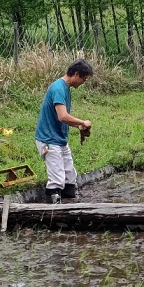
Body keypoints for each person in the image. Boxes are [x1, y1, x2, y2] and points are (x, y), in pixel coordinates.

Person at [36, 59, 93, 202]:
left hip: (59, 138)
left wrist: (78, 126)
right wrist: (82, 122)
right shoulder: (58, 89)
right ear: (76, 74)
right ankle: (52, 213)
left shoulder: (65, 89)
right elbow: (63, 116)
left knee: (70, 177)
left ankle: (70, 204)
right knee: (57, 179)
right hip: (49, 138)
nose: (83, 83)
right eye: (84, 79)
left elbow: (62, 118)